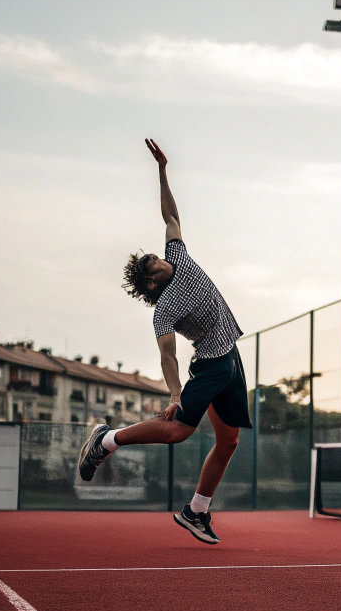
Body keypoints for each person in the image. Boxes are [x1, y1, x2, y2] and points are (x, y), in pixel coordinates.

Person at [77, 138, 252, 545]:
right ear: (152, 280)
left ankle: (196, 512)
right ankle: (106, 439)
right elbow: (168, 354)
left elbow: (170, 215)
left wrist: (162, 171)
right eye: (150, 263)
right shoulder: (164, 308)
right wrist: (174, 392)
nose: (156, 255)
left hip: (231, 356)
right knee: (177, 431)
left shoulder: (179, 253)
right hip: (210, 363)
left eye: (152, 255)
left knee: (229, 441)